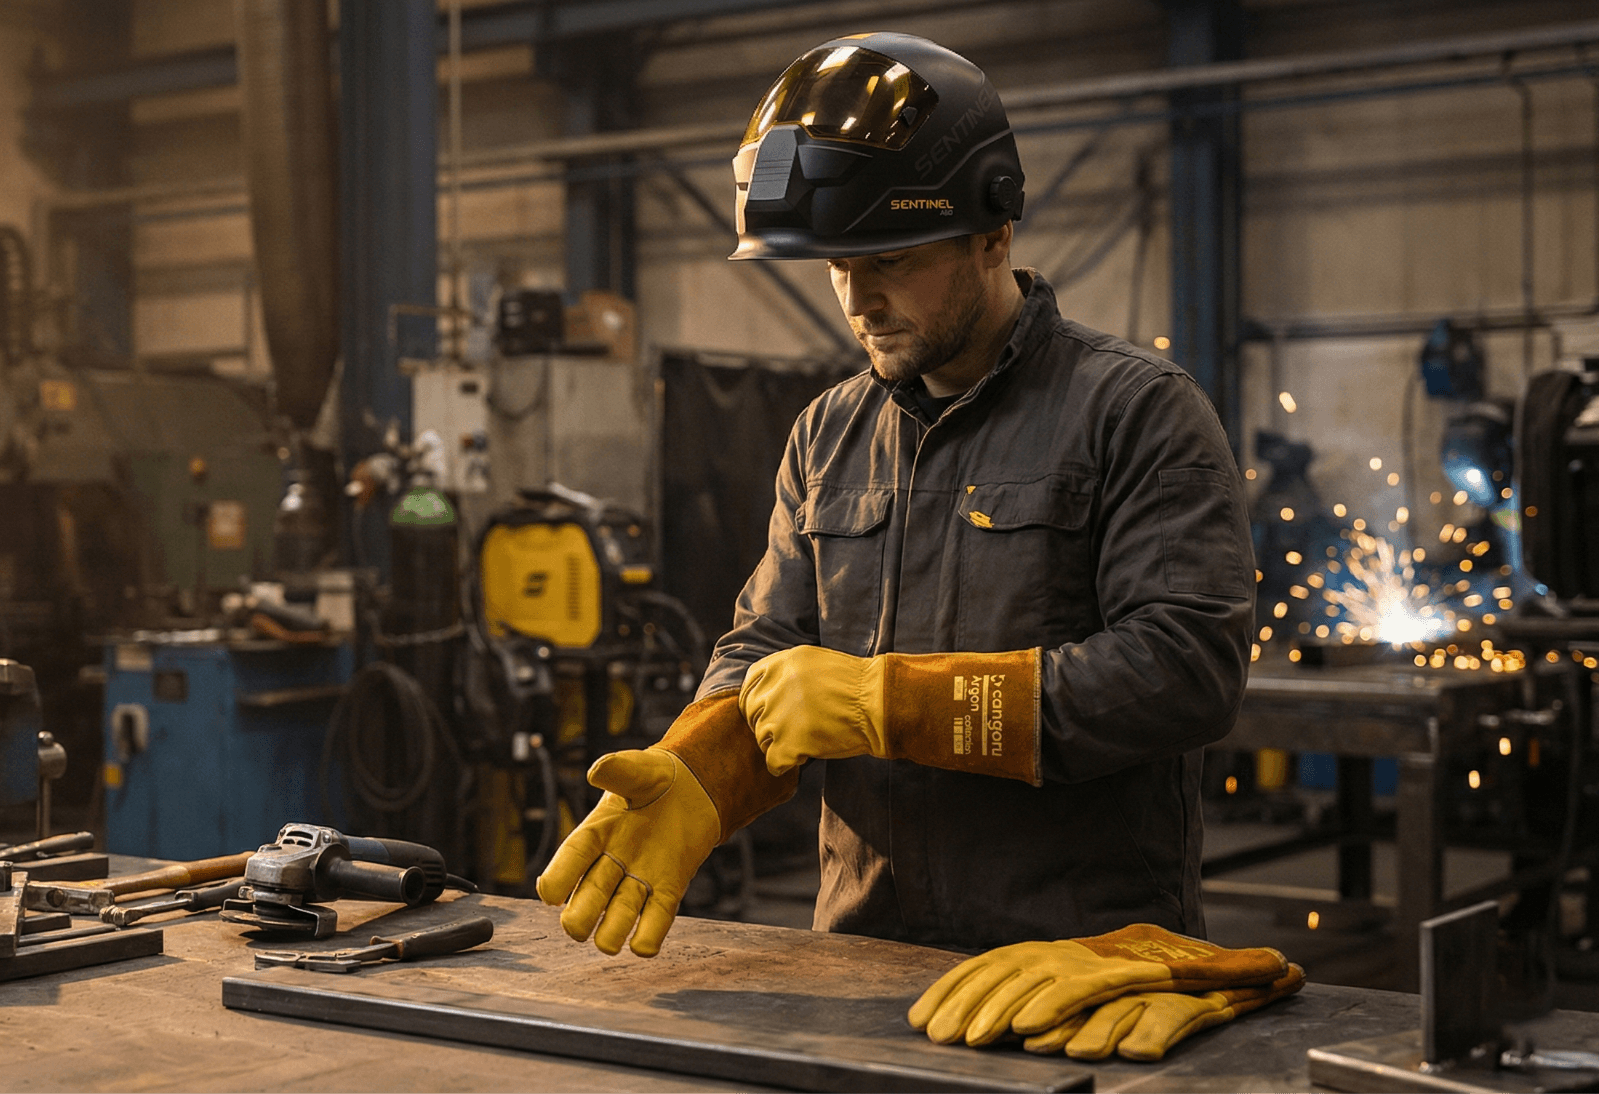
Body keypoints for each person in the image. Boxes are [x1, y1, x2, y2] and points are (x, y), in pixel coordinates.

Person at [538, 32, 1255, 958]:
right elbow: (767, 646)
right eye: (839, 266)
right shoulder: (828, 434)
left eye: (891, 260)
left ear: (994, 229)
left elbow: (1186, 671)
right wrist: (699, 768)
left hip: (1082, 960)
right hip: (865, 955)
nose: (858, 299)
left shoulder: (1136, 413)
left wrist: (894, 704)